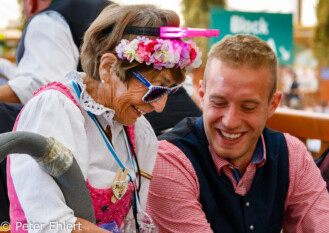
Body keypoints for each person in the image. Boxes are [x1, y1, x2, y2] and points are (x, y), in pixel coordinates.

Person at [8, 3, 203, 232]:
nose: (160, 107)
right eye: (156, 90)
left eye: (169, 92)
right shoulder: (56, 110)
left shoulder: (140, 132)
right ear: (109, 68)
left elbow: (136, 220)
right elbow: (50, 224)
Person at [146, 34, 329, 232]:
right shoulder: (168, 160)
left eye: (248, 107)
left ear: (273, 104)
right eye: (218, 102)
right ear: (202, 94)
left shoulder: (291, 155)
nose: (230, 121)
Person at [0, 0, 109, 223]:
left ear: (31, 3)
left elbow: (40, 85)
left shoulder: (48, 20)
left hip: (116, 136)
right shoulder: (99, 8)